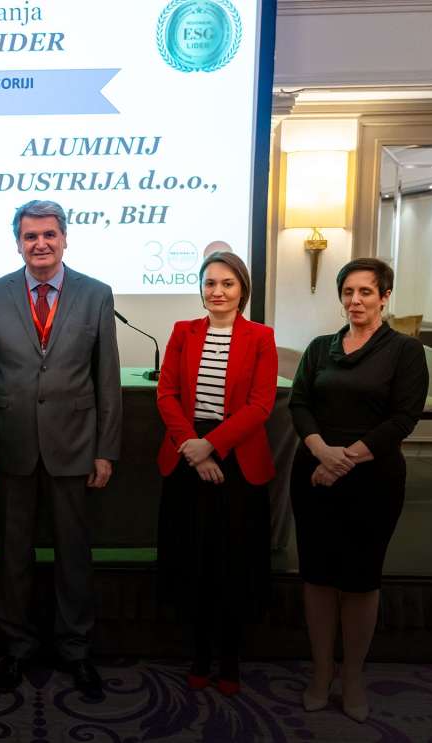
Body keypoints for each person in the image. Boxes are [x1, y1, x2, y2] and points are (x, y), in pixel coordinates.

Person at [0, 199, 122, 697]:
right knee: (13, 552)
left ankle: (76, 649)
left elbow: (107, 378)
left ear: (64, 238)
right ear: (18, 243)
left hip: (74, 445)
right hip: (10, 445)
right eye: (30, 236)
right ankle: (16, 647)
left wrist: (106, 450)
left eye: (49, 235)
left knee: (73, 554)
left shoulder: (96, 294)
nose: (40, 244)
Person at [289, 258, 426, 723]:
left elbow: (403, 418)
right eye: (348, 291)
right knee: (317, 577)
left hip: (373, 480)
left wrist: (342, 461)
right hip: (313, 475)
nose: (355, 300)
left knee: (360, 580)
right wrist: (321, 452)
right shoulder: (319, 348)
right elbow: (300, 403)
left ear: (385, 297)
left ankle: (352, 677)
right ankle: (321, 672)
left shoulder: (405, 351)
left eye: (366, 291)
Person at [155, 251, 277, 696]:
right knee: (195, 560)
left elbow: (260, 405)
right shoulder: (183, 332)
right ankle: (199, 653)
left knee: (232, 562)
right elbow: (166, 394)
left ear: (242, 289)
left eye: (227, 283)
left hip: (238, 460)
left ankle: (229, 656)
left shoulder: (261, 337)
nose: (218, 291)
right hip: (187, 456)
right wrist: (195, 447)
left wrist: (213, 445)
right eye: (210, 283)